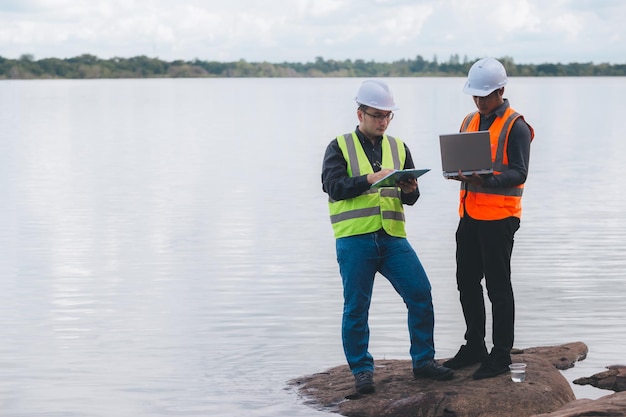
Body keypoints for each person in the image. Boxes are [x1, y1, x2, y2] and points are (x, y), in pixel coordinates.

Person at [321, 79, 453, 395]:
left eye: (387, 116)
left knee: (420, 293)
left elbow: (410, 199)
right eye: (377, 115)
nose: (383, 121)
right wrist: (370, 179)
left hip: (393, 237)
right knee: (356, 307)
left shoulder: (398, 147)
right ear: (360, 113)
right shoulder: (338, 146)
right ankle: (362, 372)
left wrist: (410, 190)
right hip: (355, 239)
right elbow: (333, 187)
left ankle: (423, 362)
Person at [442, 58, 535, 380]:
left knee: (498, 286)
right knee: (466, 282)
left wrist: (488, 182)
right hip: (469, 214)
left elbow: (520, 172)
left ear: (501, 90)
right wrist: (456, 173)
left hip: (499, 218)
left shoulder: (516, 125)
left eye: (485, 96)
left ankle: (500, 355)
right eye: (475, 96)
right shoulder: (469, 120)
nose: (479, 101)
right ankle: (474, 346)